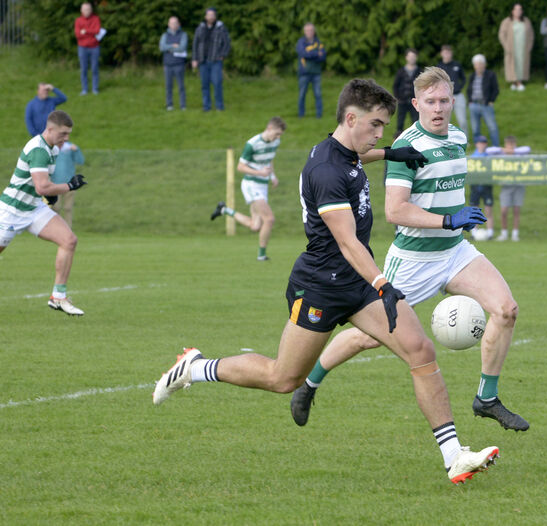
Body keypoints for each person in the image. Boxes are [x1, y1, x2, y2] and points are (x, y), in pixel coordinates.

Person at [153, 78, 500, 485]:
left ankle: (453, 456)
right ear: (351, 118)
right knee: (283, 378)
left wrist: (393, 152)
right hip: (320, 285)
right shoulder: (325, 170)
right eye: (375, 126)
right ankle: (196, 368)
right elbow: (347, 241)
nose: (379, 134)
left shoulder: (347, 151)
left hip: (356, 283)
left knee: (420, 350)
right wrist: (383, 284)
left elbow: (361, 158)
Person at [290, 67, 528, 435]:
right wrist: (450, 219)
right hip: (414, 259)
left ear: (453, 101)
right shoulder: (408, 147)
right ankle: (310, 383)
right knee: (368, 336)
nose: (438, 108)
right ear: (416, 104)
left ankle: (487, 398)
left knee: (506, 309)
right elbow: (395, 212)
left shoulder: (459, 137)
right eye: (430, 101)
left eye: (444, 100)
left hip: (455, 253)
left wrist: (454, 224)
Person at [0, 110, 88, 315]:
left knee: (69, 240)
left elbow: (43, 187)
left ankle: (58, 297)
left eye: (68, 134)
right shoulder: (38, 150)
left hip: (33, 208)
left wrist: (52, 194)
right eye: (63, 134)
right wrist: (68, 186)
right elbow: (42, 187)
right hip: (12, 210)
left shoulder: (54, 149)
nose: (66, 139)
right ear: (50, 130)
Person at [211, 117, 287, 261]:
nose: (278, 137)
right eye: (276, 134)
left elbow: (269, 158)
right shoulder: (252, 144)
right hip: (251, 184)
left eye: (280, 135)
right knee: (269, 219)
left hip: (263, 185)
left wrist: (272, 176)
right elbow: (240, 167)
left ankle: (224, 210)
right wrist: (260, 173)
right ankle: (261, 255)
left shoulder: (275, 142)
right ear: (269, 128)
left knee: (255, 226)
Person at [192, 8, 231, 112]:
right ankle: (206, 107)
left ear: (215, 16)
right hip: (202, 61)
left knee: (217, 83)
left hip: (215, 61)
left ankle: (219, 106)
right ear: (205, 17)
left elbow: (227, 43)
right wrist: (194, 59)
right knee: (204, 85)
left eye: (212, 15)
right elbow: (195, 43)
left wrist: (223, 55)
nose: (211, 17)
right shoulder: (200, 28)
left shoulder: (221, 27)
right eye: (209, 15)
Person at [495, 136, 529, 242]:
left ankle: (515, 234)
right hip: (506, 185)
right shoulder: (502, 155)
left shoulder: (519, 154)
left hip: (518, 185)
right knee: (504, 211)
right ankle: (504, 233)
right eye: (508, 144)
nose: (510, 147)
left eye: (512, 144)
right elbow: (490, 150)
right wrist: (504, 150)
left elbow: (527, 149)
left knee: (516, 210)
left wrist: (513, 151)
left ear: (515, 144)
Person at [498, 3, 534, 92]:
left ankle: (518, 82)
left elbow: (531, 35)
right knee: (512, 64)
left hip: (523, 48)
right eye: (516, 9)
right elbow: (501, 35)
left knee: (521, 65)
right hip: (512, 48)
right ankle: (516, 83)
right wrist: (506, 46)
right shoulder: (507, 21)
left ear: (522, 11)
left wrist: (529, 46)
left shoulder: (526, 21)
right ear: (512, 11)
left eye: (520, 9)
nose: (518, 11)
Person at [467, 54, 500, 147]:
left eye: (481, 64)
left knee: (492, 127)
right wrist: (469, 101)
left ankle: (495, 147)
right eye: (477, 64)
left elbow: (496, 89)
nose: (479, 66)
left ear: (484, 65)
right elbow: (469, 89)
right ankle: (479, 148)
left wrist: (491, 101)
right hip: (473, 105)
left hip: (486, 105)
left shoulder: (490, 75)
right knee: (475, 128)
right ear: (474, 66)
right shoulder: (472, 76)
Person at [51, 141, 84, 228]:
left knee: (68, 208)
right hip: (55, 184)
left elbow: (80, 161)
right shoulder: (52, 148)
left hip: (70, 184)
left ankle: (68, 229)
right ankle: (56, 228)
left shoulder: (70, 147)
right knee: (55, 208)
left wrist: (76, 150)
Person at [296, 23, 326, 118]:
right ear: (304, 32)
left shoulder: (319, 43)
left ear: (314, 31)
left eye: (311, 30)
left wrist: (311, 55)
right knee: (302, 94)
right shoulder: (301, 42)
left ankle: (319, 115)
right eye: (307, 30)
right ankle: (301, 115)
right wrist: (317, 54)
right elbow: (303, 54)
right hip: (304, 73)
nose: (309, 32)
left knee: (318, 94)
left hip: (316, 73)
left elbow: (323, 57)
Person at [159, 16, 188, 111]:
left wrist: (169, 49)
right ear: (168, 24)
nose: (173, 25)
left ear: (178, 24)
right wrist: (173, 45)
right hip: (168, 64)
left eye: (175, 23)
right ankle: (169, 105)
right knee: (168, 86)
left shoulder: (183, 35)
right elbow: (162, 47)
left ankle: (183, 105)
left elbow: (182, 48)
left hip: (179, 64)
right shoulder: (165, 35)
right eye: (171, 23)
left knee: (181, 86)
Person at [437, 44, 468, 132]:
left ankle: (464, 140)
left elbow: (463, 79)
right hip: (444, 97)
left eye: (449, 52)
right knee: (445, 121)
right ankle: (445, 140)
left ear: (451, 54)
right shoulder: (439, 67)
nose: (447, 54)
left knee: (462, 121)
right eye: (445, 52)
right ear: (441, 54)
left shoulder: (457, 65)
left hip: (458, 95)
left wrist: (459, 87)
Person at [469, 136, 495, 239]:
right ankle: (474, 233)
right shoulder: (472, 157)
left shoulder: (489, 157)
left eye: (484, 143)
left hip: (486, 186)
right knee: (475, 210)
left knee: (488, 210)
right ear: (476, 144)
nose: (482, 145)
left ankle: (490, 233)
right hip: (475, 186)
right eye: (480, 143)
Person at [74, 2, 101, 95]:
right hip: (82, 48)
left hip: (94, 47)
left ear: (91, 10)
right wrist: (91, 33)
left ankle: (95, 89)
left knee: (94, 68)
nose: (87, 11)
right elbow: (78, 35)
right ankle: (84, 89)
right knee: (84, 69)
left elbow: (97, 31)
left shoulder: (96, 18)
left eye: (89, 9)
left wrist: (85, 31)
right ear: (81, 10)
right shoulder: (78, 20)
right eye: (85, 9)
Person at [393, 48, 422, 136]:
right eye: (410, 56)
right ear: (406, 57)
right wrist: (397, 97)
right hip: (402, 101)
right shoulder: (401, 71)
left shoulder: (420, 71)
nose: (412, 58)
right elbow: (395, 85)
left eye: (413, 56)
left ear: (416, 57)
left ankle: (417, 136)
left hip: (415, 101)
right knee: (400, 121)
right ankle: (398, 138)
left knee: (416, 120)